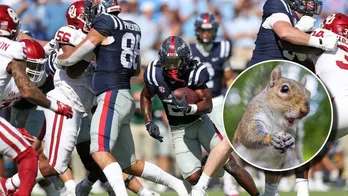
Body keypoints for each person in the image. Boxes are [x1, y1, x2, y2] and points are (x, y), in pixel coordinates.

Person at [57, 1, 189, 195]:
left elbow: (71, 58)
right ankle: (177, 184)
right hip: (125, 95)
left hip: (110, 95)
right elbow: (135, 69)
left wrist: (57, 59)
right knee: (129, 164)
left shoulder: (105, 22)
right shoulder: (133, 27)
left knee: (99, 151)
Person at [141, 36, 260, 196]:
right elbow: (145, 96)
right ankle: (210, 161)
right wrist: (148, 122)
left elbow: (208, 105)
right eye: (168, 62)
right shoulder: (154, 72)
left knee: (231, 166)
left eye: (175, 62)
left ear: (185, 60)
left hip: (200, 122)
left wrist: (190, 108)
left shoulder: (194, 71)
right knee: (192, 177)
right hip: (179, 129)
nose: (171, 67)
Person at [0, 4, 72, 196]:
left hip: (29, 111)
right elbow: (28, 91)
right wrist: (57, 107)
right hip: (25, 107)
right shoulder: (14, 51)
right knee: (28, 154)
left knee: (29, 151)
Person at [190, 12, 237, 196]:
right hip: (197, 103)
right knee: (196, 145)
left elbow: (228, 78)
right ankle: (198, 184)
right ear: (197, 31)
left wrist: (233, 98)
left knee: (225, 144)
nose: (206, 34)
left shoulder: (223, 48)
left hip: (216, 100)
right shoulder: (190, 50)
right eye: (203, 30)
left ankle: (229, 186)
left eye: (209, 31)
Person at [248, 0, 337, 66]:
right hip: (262, 67)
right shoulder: (278, 4)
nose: (311, 4)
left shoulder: (306, 23)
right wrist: (322, 42)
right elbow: (285, 33)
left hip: (286, 73)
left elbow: (303, 60)